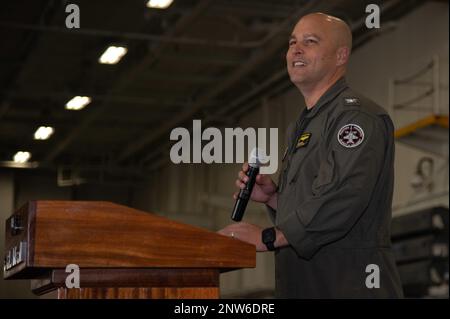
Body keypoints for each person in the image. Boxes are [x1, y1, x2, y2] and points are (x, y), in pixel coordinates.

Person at [218, 12, 404, 298]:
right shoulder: (302, 125)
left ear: (341, 55)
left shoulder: (356, 116)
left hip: (348, 285)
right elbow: (315, 199)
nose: (296, 49)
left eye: (310, 41)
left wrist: (269, 237)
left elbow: (343, 197)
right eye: (292, 42)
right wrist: (274, 197)